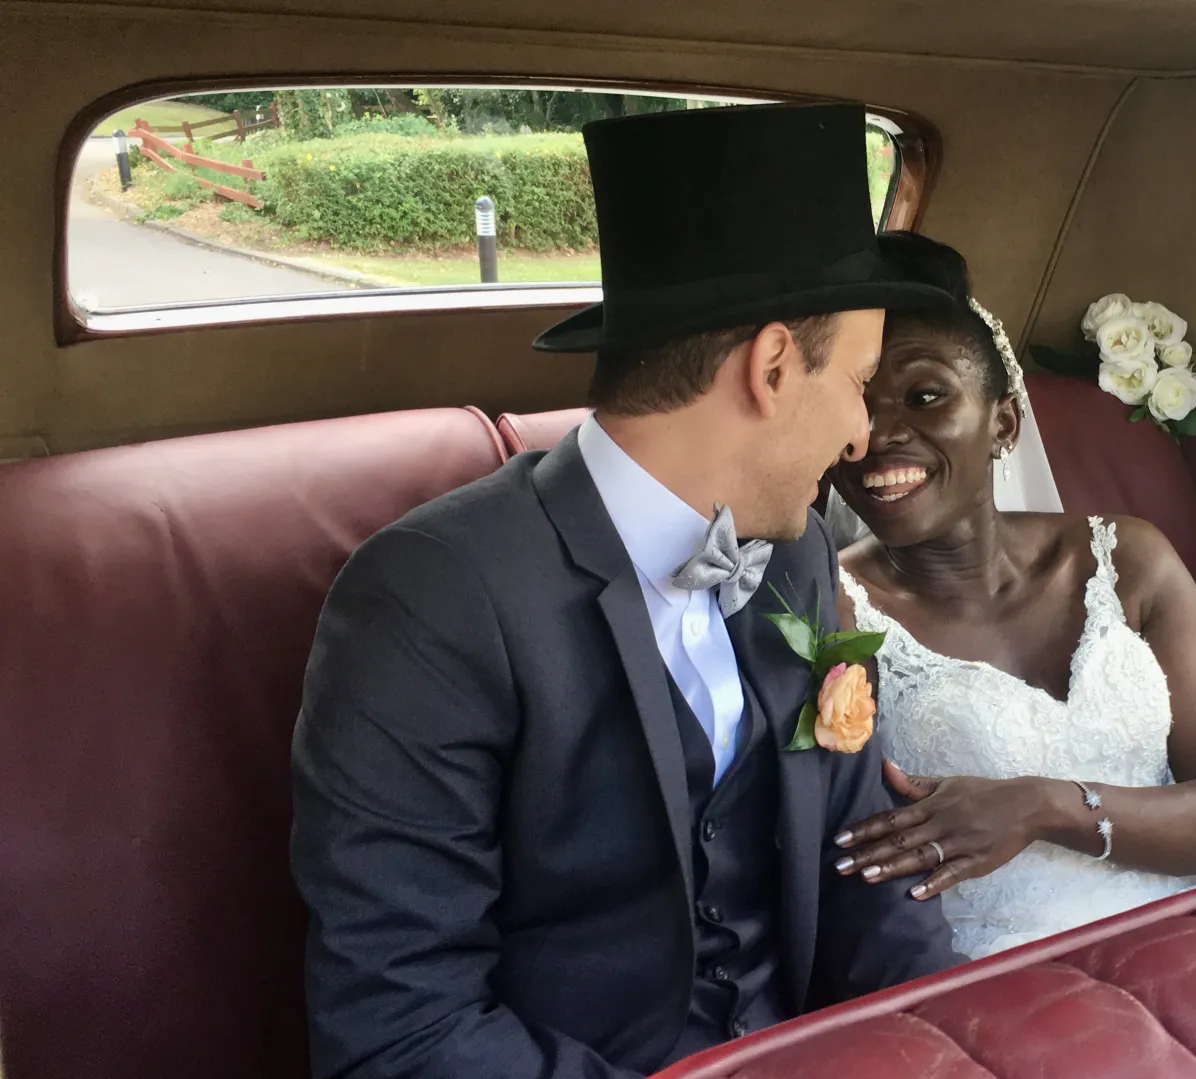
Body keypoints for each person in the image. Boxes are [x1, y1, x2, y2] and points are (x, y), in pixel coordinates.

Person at [289, 104, 960, 1079]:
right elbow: (402, 1029)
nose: (861, 435)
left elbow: (868, 856)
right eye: (858, 382)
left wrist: (937, 1040)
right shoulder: (430, 598)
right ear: (772, 367)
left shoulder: (799, 552)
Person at [825, 233, 1196, 959]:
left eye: (925, 396)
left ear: (1002, 422)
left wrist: (1040, 805)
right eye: (859, 408)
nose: (881, 436)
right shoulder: (834, 611)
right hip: (986, 988)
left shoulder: (1129, 561)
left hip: (1189, 955)